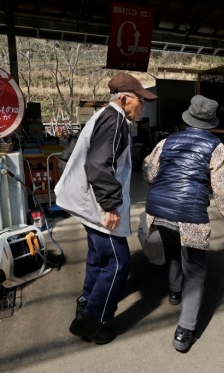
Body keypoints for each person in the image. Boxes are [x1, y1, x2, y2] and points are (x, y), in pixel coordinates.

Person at [142, 94, 224, 353]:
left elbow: (149, 171)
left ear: (189, 117)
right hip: (189, 214)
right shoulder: (215, 147)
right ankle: (185, 330)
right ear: (210, 122)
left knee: (173, 249)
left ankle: (174, 292)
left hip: (157, 209)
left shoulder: (167, 141)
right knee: (194, 271)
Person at [55, 71, 157, 344]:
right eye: (140, 101)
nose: (142, 107)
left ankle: (87, 301)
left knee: (99, 258)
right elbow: (99, 165)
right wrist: (110, 205)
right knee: (118, 262)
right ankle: (91, 321)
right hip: (101, 205)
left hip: (90, 201)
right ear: (124, 99)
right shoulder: (115, 122)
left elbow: (71, 155)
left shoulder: (101, 116)